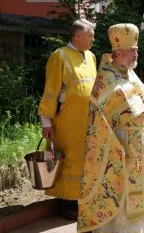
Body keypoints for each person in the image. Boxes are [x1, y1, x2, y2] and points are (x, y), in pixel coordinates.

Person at [77, 23, 144, 232]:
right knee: (119, 199)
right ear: (117, 52)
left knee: (136, 199)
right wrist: (120, 148)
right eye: (132, 51)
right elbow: (97, 124)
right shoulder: (106, 79)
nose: (135, 54)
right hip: (118, 152)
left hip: (137, 147)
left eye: (136, 50)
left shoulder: (130, 74)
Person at [38, 19, 97, 220]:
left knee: (85, 159)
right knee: (68, 159)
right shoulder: (60, 56)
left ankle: (81, 198)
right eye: (90, 35)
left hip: (88, 122)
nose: (93, 39)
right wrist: (46, 122)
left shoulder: (91, 57)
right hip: (66, 122)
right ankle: (65, 202)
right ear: (77, 35)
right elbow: (51, 90)